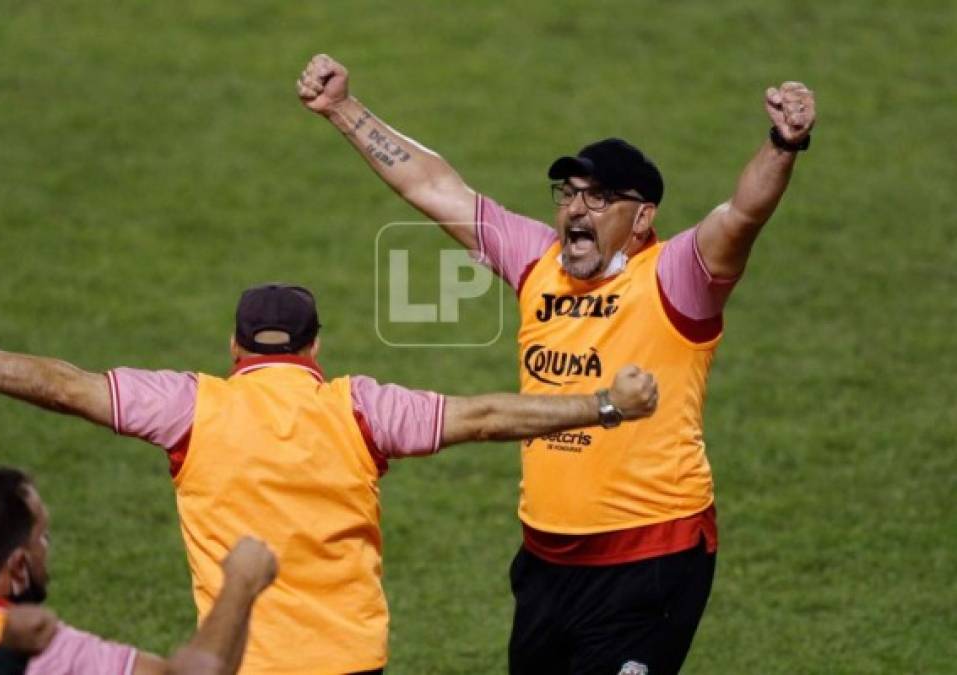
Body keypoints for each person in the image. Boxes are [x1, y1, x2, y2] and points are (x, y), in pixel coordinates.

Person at [297, 53, 817, 674]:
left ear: (642, 218)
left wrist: (784, 144)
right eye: (568, 195)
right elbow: (434, 187)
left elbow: (743, 214)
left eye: (598, 199)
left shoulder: (676, 277)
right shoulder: (536, 260)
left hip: (648, 559)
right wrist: (342, 109)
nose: (575, 211)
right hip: (547, 563)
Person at [0, 282, 659, 674]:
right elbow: (480, 415)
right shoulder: (361, 407)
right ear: (316, 346)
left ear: (235, 345)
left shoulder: (190, 406)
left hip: (242, 660)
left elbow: (66, 385)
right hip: (349, 664)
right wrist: (603, 404)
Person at [0, 466, 278, 675]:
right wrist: (241, 583)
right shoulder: (40, 648)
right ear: (18, 566)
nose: (47, 548)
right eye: (42, 538)